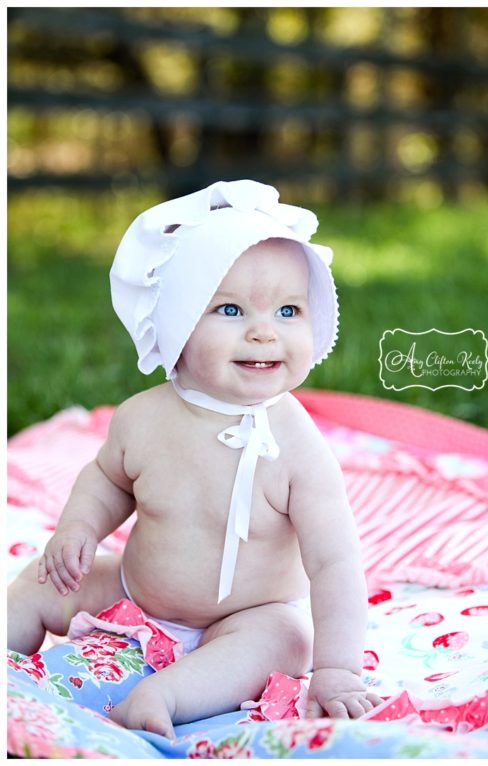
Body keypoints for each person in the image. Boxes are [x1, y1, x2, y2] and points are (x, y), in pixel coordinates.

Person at [7, 180, 383, 737]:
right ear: (178, 323)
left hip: (246, 617)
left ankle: (164, 696)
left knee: (287, 639)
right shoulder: (144, 417)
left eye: (288, 310)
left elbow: (335, 564)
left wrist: (336, 670)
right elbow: (107, 479)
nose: (263, 332)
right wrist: (77, 529)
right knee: (39, 580)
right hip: (136, 593)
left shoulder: (297, 447)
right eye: (230, 309)